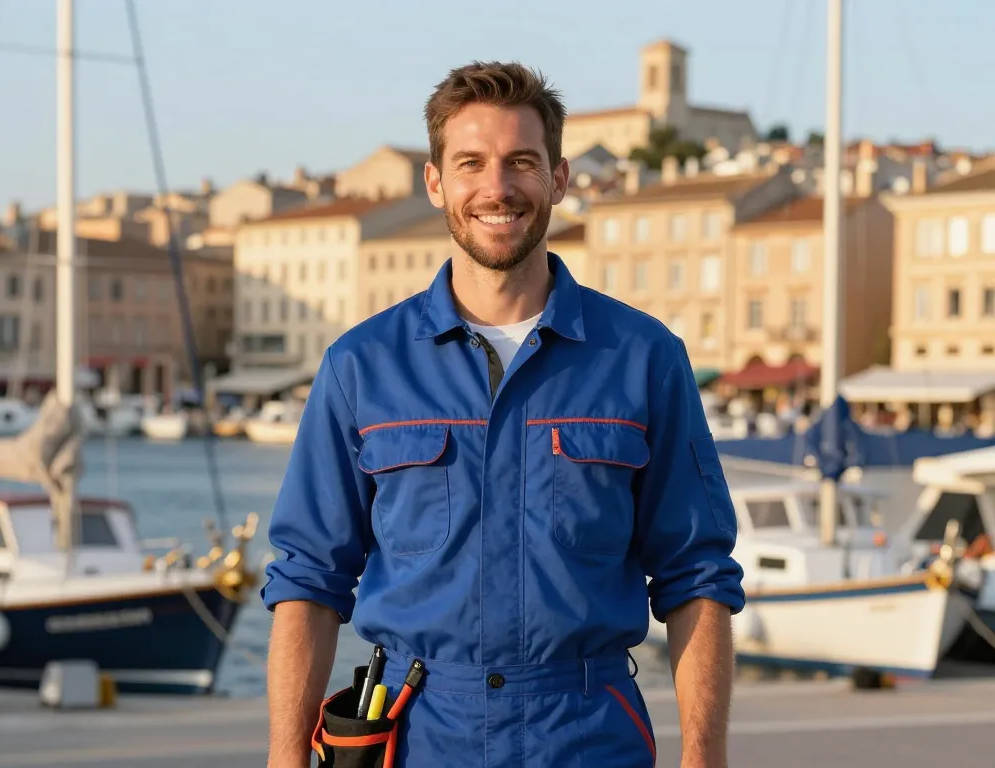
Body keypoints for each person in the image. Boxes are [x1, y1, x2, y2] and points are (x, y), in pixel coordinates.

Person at [263, 60, 745, 768]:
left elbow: (696, 575)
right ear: (435, 183)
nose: (497, 188)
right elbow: (308, 579)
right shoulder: (361, 366)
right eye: (471, 164)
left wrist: (705, 759)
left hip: (588, 739)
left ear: (559, 178)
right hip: (413, 738)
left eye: (522, 161)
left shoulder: (644, 359)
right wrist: (284, 759)